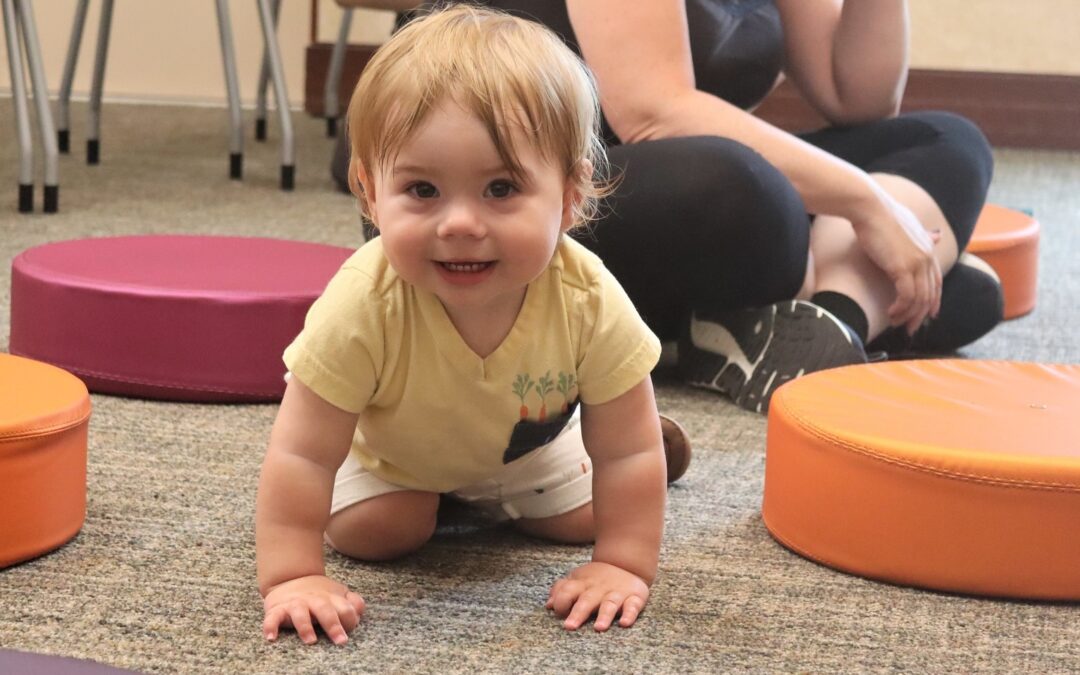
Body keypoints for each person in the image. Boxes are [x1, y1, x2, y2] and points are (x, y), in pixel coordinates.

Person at [257, 5, 691, 645]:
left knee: (602, 506)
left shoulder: (586, 295)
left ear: (571, 197)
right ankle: (470, 495)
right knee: (377, 534)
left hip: (526, 449)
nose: (460, 223)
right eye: (423, 191)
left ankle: (625, 424)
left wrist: (621, 563)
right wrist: (291, 576)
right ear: (371, 194)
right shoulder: (364, 299)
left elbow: (625, 457)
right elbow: (300, 452)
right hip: (392, 461)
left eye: (500, 189)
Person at [332, 0, 1002, 413]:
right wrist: (866, 203)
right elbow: (654, 110)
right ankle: (832, 290)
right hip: (488, 212)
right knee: (752, 186)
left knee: (948, 141)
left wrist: (870, 203)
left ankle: (831, 319)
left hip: (657, 202)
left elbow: (856, 96)